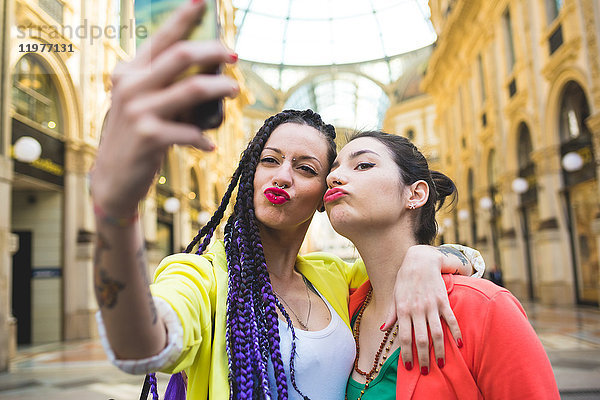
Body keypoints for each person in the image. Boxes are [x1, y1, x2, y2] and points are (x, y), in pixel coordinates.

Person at [90, 2, 484, 399]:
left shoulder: (335, 277)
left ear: (323, 196)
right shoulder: (202, 276)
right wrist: (116, 212)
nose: (282, 176)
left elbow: (467, 263)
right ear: (250, 174)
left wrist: (428, 257)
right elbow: (137, 347)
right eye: (270, 160)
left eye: (306, 169)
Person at [324, 130, 559, 399]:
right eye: (333, 170)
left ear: (415, 194)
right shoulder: (342, 311)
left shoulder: (485, 308)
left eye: (363, 165)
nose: (333, 177)